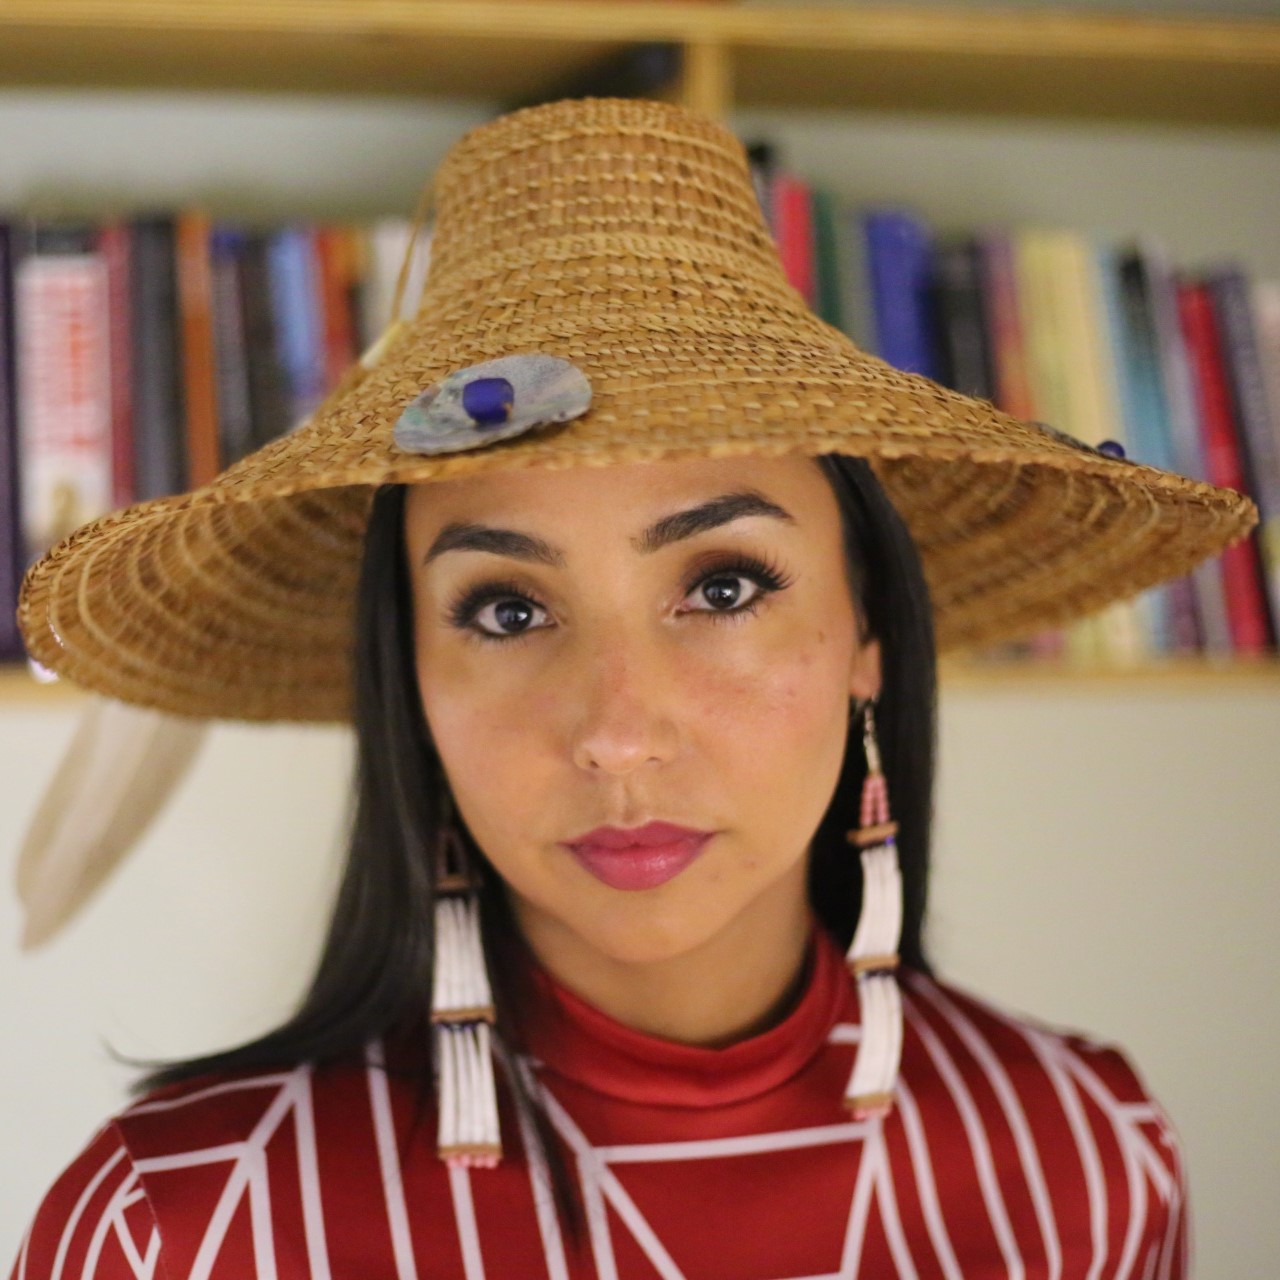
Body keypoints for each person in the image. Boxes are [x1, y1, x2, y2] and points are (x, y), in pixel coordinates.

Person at [9, 95, 1255, 1279]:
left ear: (866, 624)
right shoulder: (184, 1220)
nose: (614, 732)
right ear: (413, 681)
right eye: (507, 609)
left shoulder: (1086, 1153)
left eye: (720, 587)